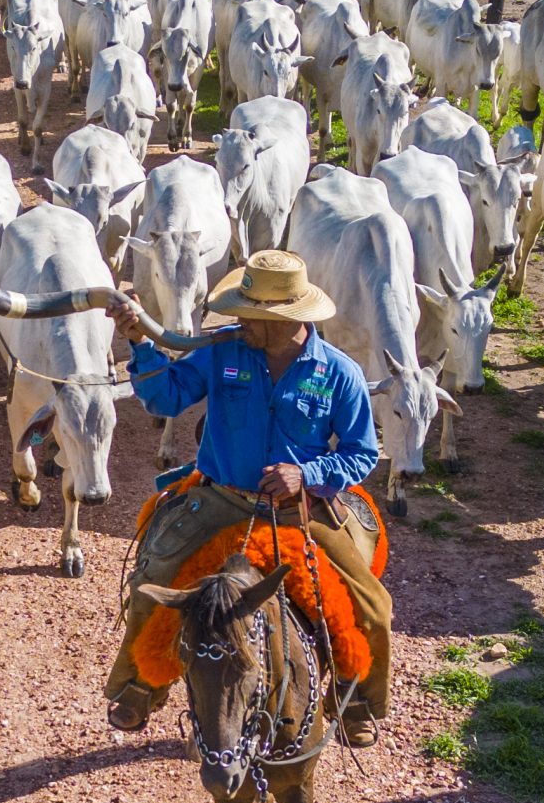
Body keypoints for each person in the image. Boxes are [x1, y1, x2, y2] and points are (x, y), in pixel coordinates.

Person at [104, 251, 392, 747]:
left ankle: (358, 703)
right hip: (220, 500)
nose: (238, 320)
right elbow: (165, 399)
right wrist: (139, 343)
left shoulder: (339, 374)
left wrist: (307, 474)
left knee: (373, 608)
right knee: (152, 576)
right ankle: (138, 688)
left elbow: (362, 454)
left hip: (299, 511)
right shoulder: (222, 352)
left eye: (249, 314)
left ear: (284, 321)